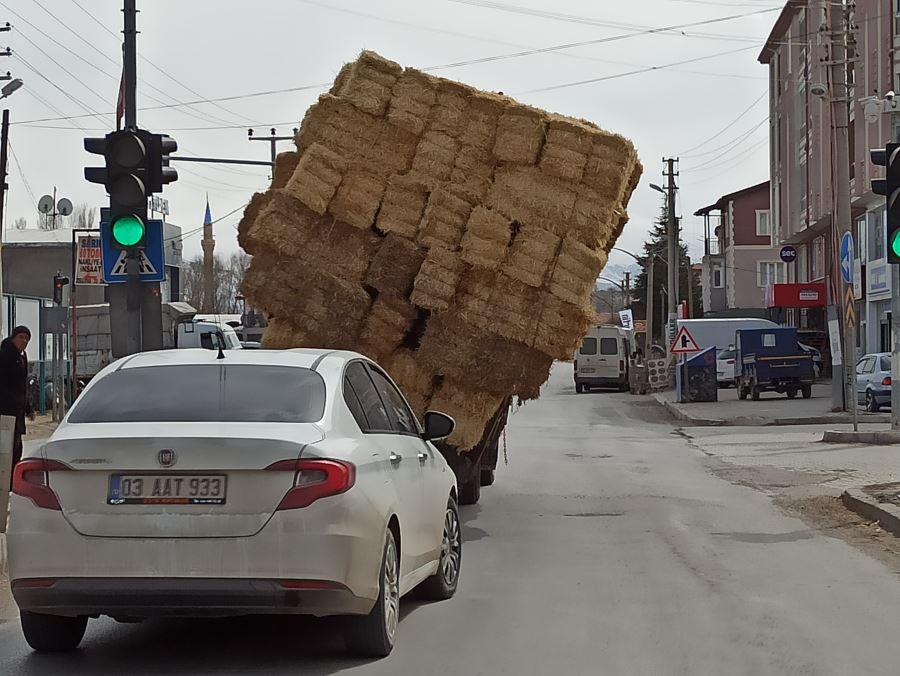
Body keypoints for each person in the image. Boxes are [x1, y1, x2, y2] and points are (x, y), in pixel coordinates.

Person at [0, 326, 34, 470]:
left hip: (17, 410)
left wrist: (28, 407)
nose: (24, 341)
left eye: (26, 338)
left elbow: (23, 385)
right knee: (7, 448)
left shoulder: (22, 357)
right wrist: (12, 401)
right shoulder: (5, 355)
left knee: (16, 447)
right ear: (13, 338)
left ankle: (10, 480)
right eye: (21, 337)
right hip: (5, 410)